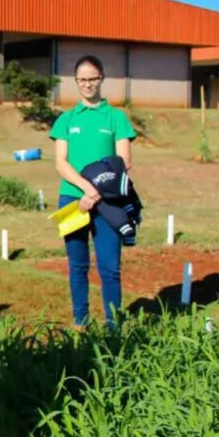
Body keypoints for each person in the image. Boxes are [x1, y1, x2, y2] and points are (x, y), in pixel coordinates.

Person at [50, 55, 136, 328]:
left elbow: (124, 163)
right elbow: (60, 163)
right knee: (77, 265)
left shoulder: (116, 117)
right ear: (76, 82)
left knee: (110, 267)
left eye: (93, 79)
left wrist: (96, 193)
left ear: (101, 79)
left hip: (108, 202)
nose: (88, 84)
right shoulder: (66, 119)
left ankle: (114, 326)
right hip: (73, 200)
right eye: (82, 80)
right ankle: (80, 321)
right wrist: (86, 189)